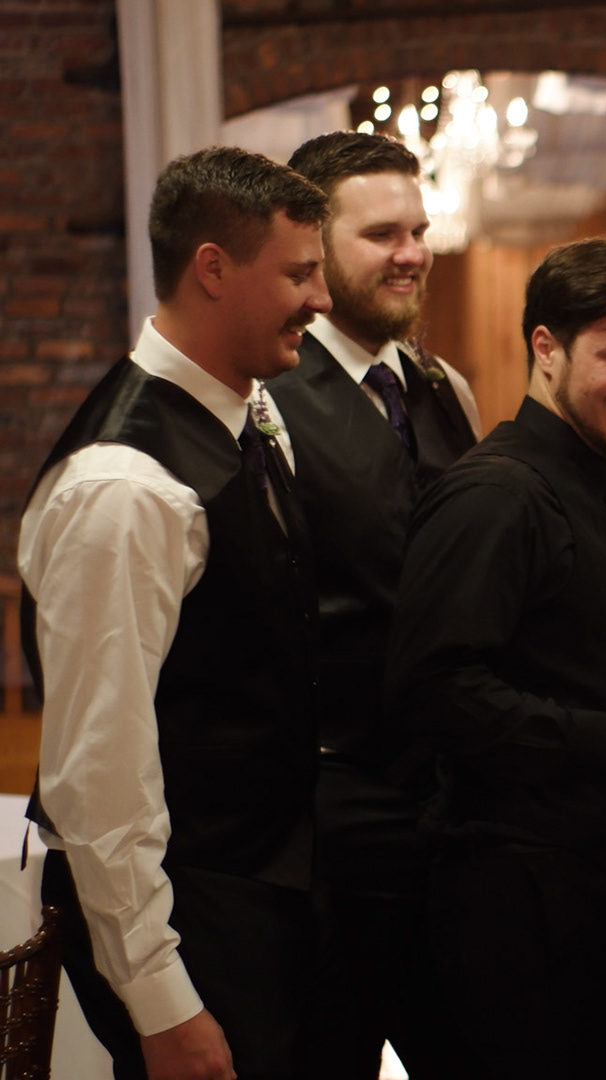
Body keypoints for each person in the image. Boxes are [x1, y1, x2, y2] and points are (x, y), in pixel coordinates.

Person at [19, 146, 331, 1080]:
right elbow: (98, 776)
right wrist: (161, 998)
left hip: (261, 889)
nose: (320, 299)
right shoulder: (126, 488)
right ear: (213, 268)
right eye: (299, 274)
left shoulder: (248, 410)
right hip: (196, 916)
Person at [384, 237, 606, 1080]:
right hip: (510, 906)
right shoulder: (497, 494)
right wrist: (605, 743)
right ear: (546, 349)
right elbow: (428, 689)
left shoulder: (597, 480)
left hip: (583, 888)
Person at [265, 130, 480, 1079]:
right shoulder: (268, 398)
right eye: (382, 233)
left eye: (419, 231)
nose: (412, 254)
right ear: (314, 246)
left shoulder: (441, 387)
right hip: (328, 809)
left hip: (445, 800)